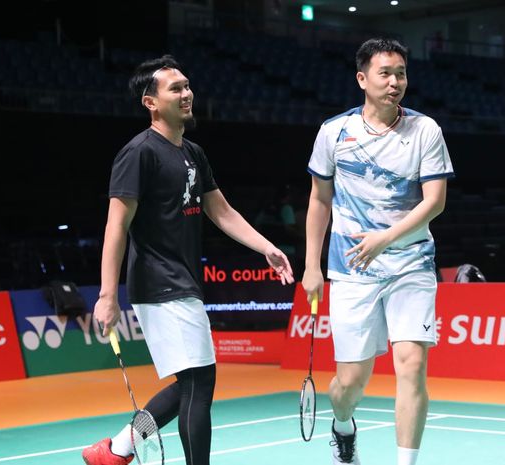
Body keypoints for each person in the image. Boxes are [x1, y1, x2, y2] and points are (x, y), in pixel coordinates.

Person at [82, 55, 294, 465]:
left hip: (183, 280)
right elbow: (116, 227)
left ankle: (118, 447)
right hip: (159, 281)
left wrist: (265, 246)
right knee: (200, 382)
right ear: (151, 102)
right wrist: (108, 294)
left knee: (192, 384)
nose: (186, 93)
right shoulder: (138, 153)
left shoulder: (193, 153)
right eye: (175, 88)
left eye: (187, 85)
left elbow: (222, 212)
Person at [301, 38, 454, 465]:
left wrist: (386, 238)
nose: (395, 82)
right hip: (351, 269)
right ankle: (344, 424)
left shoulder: (425, 130)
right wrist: (311, 265)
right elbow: (319, 199)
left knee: (411, 364)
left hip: (411, 264)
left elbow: (434, 202)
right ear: (362, 79)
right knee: (350, 383)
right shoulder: (334, 132)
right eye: (385, 73)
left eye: (401, 73)